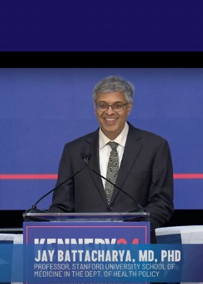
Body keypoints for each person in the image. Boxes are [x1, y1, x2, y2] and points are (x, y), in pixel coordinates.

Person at [49, 76, 174, 237]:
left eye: (117, 105)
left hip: (135, 248)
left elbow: (162, 203)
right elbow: (61, 207)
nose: (109, 112)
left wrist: (129, 229)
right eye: (103, 105)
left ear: (129, 107)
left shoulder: (155, 147)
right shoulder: (74, 150)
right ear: (95, 109)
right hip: (86, 249)